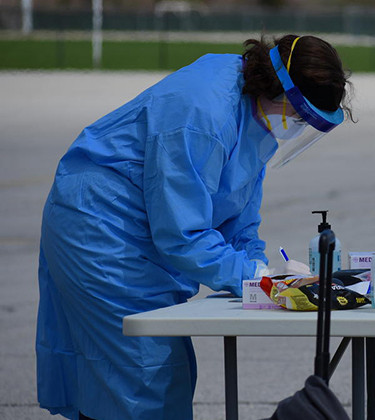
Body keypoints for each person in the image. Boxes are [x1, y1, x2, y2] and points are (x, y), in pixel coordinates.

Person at [36, 34, 351, 419]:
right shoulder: (202, 114)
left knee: (149, 377)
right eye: (300, 117)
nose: (296, 128)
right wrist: (258, 276)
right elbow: (181, 234)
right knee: (144, 378)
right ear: (282, 92)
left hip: (141, 230)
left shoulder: (256, 112)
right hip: (101, 228)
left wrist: (262, 271)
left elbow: (239, 218)